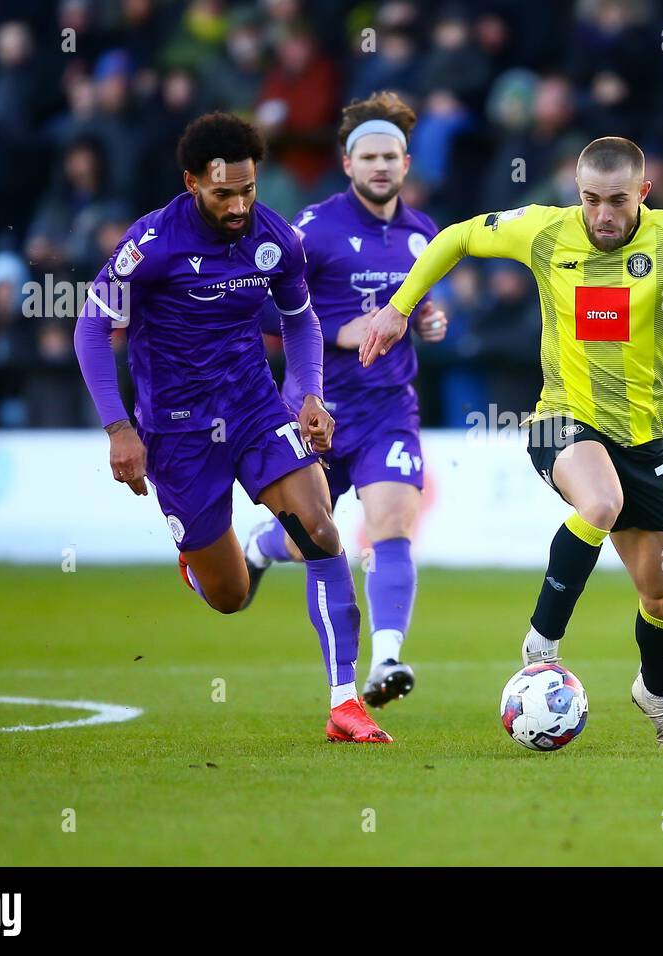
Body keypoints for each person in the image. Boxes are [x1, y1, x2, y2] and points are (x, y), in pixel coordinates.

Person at [361, 136, 663, 747]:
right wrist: (399, 307)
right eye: (590, 199)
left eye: (616, 201)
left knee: (662, 595)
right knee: (599, 504)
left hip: (642, 440)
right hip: (561, 421)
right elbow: (456, 237)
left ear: (643, 194)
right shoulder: (547, 231)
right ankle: (542, 641)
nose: (602, 215)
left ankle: (657, 697)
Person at [72, 112, 392, 744]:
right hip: (177, 431)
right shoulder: (151, 245)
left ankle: (344, 703)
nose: (240, 205)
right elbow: (89, 331)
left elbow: (301, 321)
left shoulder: (276, 239)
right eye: (224, 194)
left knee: (321, 529)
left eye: (249, 189)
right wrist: (118, 429)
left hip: (254, 407)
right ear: (192, 182)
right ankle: (210, 559)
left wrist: (308, 395)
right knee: (229, 595)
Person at [245, 91, 445, 710]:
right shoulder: (311, 231)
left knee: (391, 523)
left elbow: (421, 306)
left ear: (406, 163)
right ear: (348, 163)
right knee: (316, 538)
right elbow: (260, 309)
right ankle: (259, 545)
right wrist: (337, 332)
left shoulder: (424, 236)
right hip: (318, 409)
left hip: (390, 407)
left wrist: (431, 319)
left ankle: (386, 659)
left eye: (391, 156)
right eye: (369, 157)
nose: (381, 166)